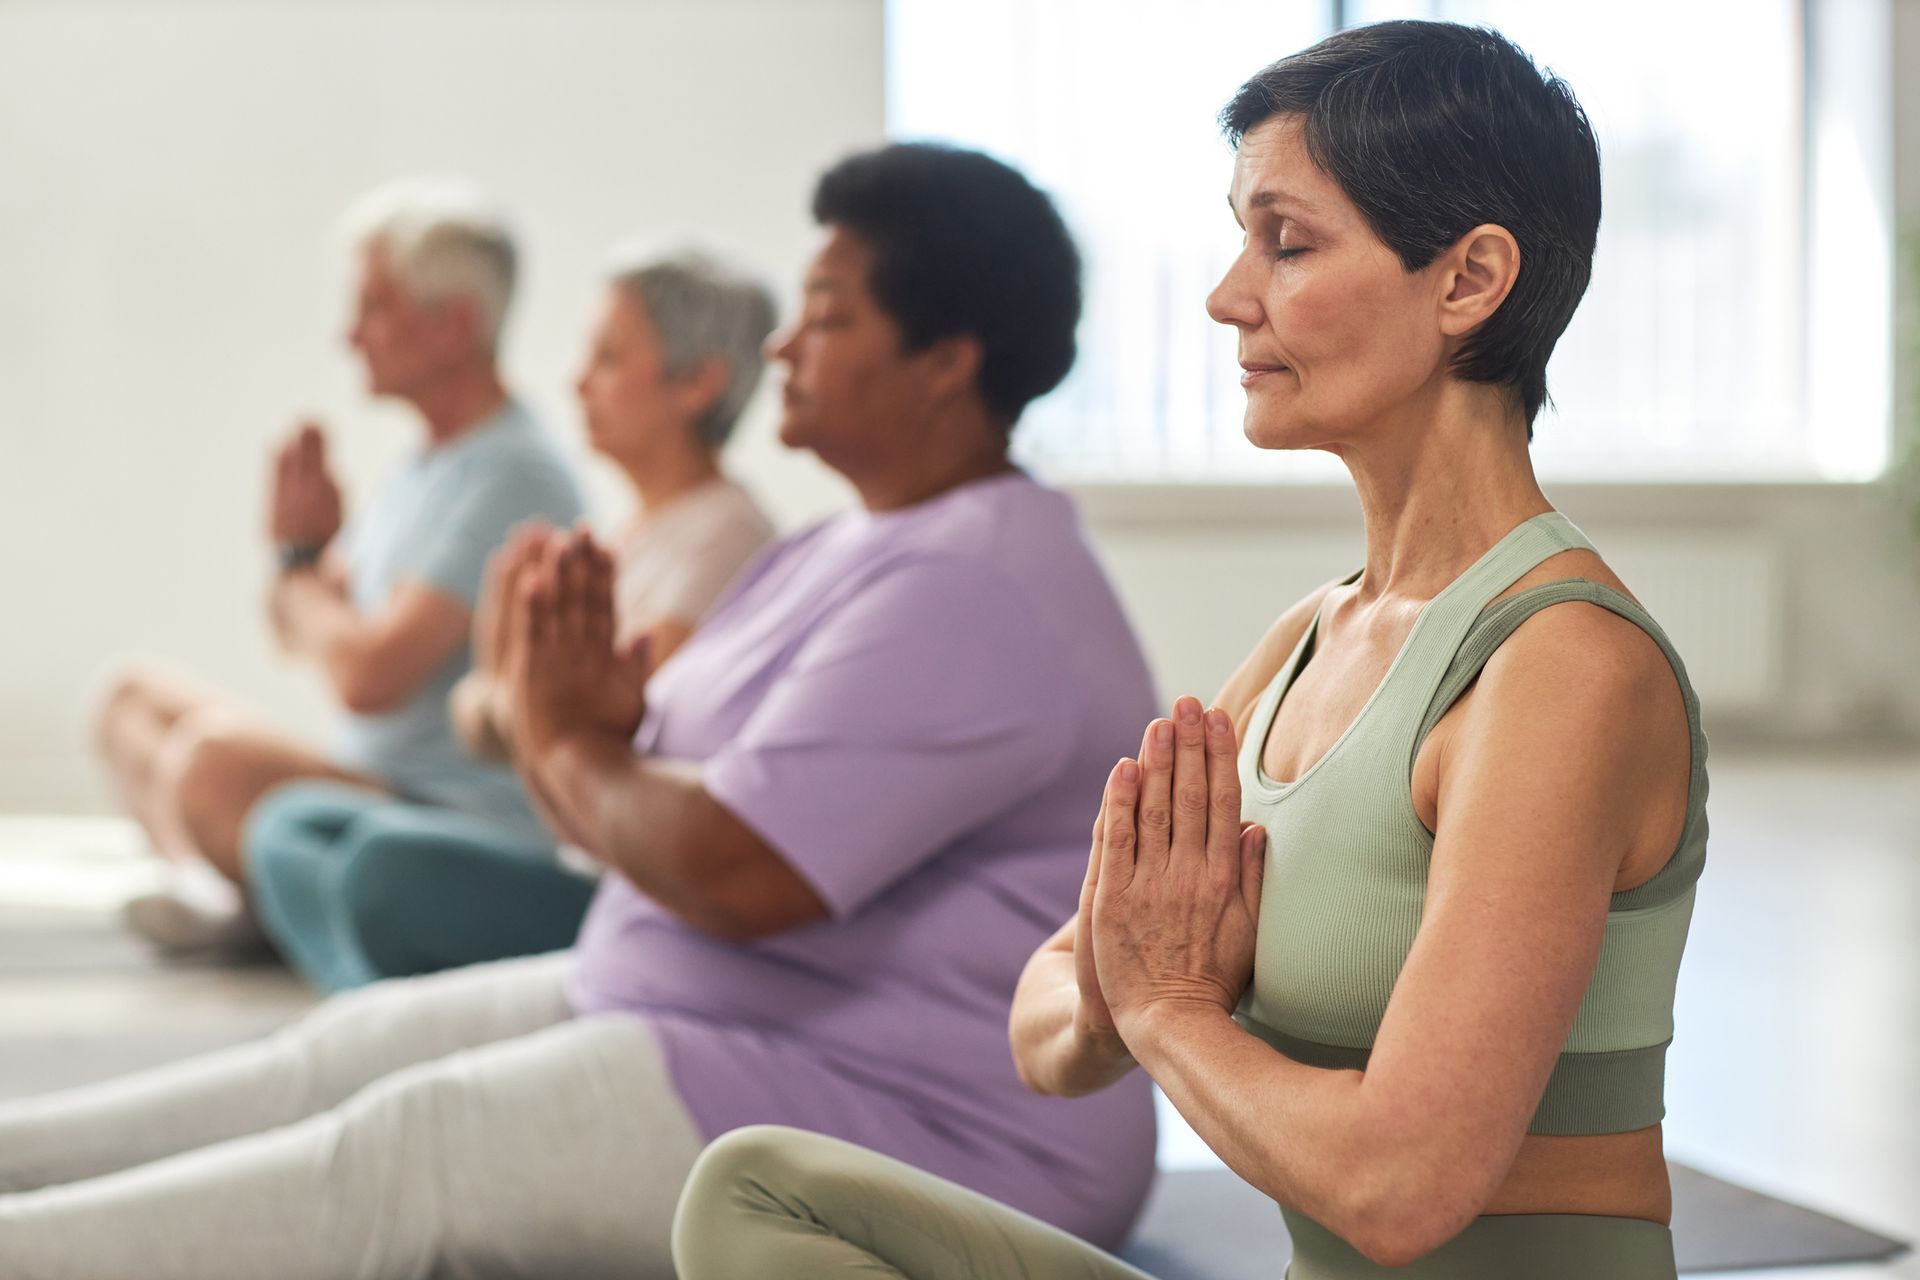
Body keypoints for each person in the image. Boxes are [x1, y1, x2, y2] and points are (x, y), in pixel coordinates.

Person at [0, 143, 1159, 1280]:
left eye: (829, 314)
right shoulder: (844, 545)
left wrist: (561, 734)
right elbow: (659, 780)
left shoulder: (972, 583)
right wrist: (591, 726)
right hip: (716, 1005)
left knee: (409, 1152)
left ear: (946, 360)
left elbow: (733, 870)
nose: (781, 346)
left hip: (934, 1126)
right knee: (339, 1056)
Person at [671, 21, 1707, 1280]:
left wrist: (1167, 1011)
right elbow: (1046, 1022)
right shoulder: (1305, 642)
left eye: (1289, 241)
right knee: (761, 1188)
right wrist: (1127, 989)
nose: (1229, 294)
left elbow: (1399, 1187)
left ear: (1469, 279)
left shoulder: (1561, 667)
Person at [243, 243, 779, 990]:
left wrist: (512, 686)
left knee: (384, 867)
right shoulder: (623, 539)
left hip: (618, 883)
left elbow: (614, 733)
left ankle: (376, 1006)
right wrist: (506, 673)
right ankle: (374, 1003)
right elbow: (500, 716)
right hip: (559, 847)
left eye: (608, 358)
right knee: (287, 825)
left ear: (696, 385)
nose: (576, 381)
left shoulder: (724, 539)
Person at [92, 177, 584, 951]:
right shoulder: (423, 466)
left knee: (211, 760)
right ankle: (226, 897)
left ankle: (238, 905)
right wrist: (300, 557)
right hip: (363, 778)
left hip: (439, 818)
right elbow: (298, 632)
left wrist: (300, 578)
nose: (351, 336)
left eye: (375, 308)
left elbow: (367, 679)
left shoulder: (515, 474)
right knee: (129, 700)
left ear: (454, 324)